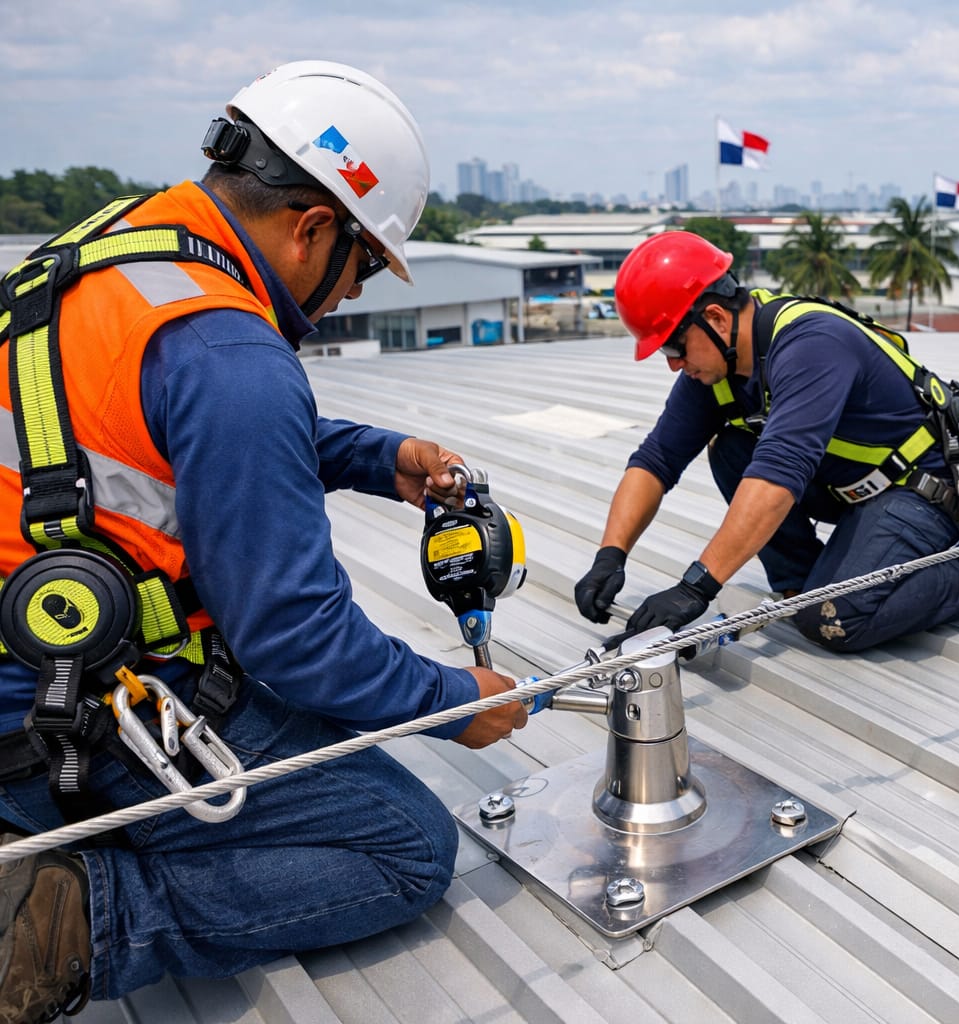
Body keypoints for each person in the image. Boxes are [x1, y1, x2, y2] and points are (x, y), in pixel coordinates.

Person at [0, 61, 529, 1020]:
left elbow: (141, 439)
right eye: (364, 265)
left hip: (27, 656)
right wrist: (456, 702)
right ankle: (75, 917)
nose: (347, 295)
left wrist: (376, 457)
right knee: (404, 845)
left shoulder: (115, 248)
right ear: (313, 226)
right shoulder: (229, 350)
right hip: (60, 712)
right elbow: (296, 636)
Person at [574, 230, 959, 652]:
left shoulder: (810, 346)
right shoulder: (719, 366)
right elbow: (657, 460)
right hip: (855, 488)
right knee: (729, 448)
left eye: (675, 346)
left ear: (717, 319)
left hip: (921, 490)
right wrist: (610, 556)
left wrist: (695, 589)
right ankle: (801, 585)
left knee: (834, 620)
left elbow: (778, 476)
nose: (674, 365)